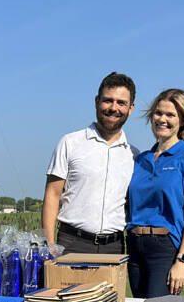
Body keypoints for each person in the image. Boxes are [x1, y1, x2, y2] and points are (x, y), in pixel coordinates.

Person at [42, 72, 138, 254]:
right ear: (96, 101)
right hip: (72, 243)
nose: (113, 108)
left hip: (114, 247)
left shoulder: (133, 155)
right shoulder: (70, 143)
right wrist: (49, 244)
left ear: (131, 108)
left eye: (121, 103)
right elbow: (52, 195)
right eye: (108, 100)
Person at [126, 88, 184, 298]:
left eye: (170, 115)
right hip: (134, 247)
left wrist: (182, 261)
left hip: (165, 248)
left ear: (182, 120)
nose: (162, 119)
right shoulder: (140, 159)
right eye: (158, 113)